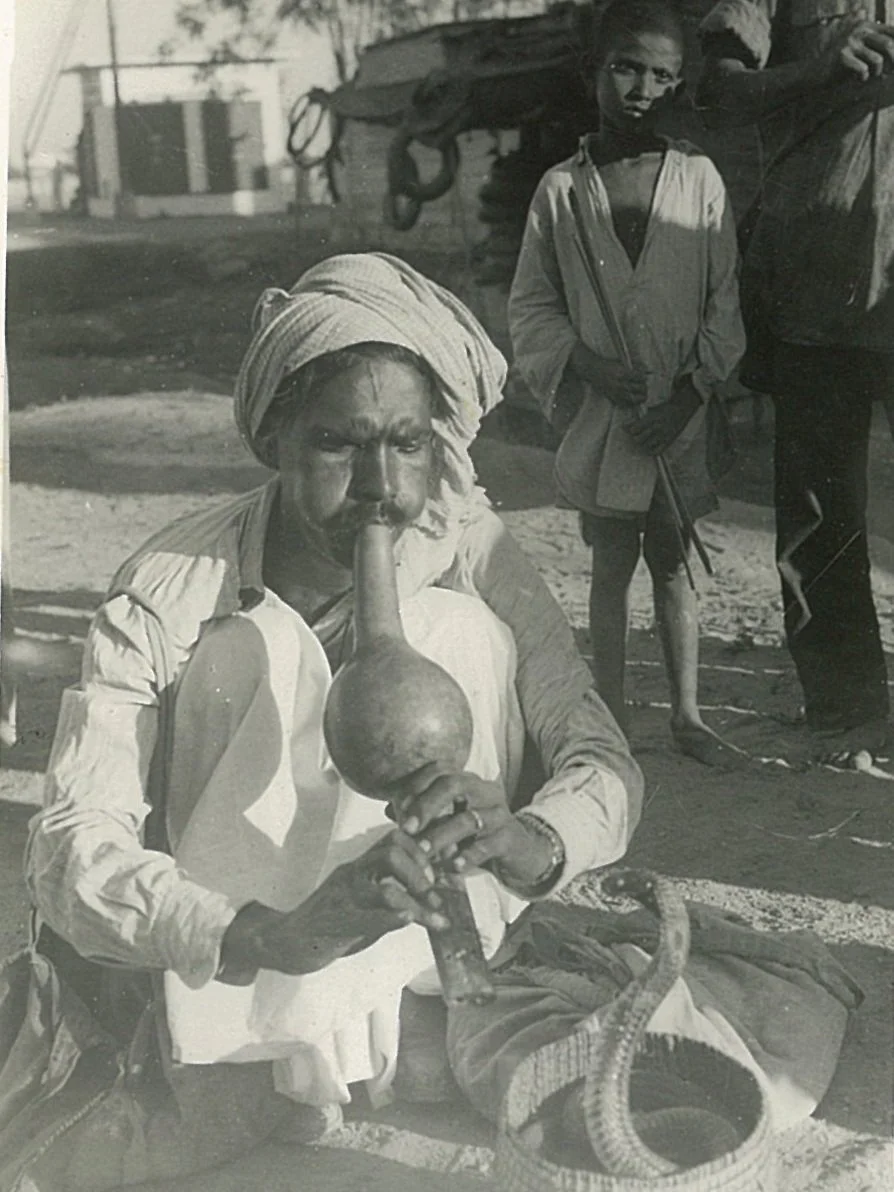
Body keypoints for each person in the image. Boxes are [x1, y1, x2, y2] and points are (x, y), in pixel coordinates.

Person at [11, 252, 642, 1189]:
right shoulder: (173, 582)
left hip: (426, 973)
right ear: (276, 441)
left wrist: (527, 840)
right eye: (339, 445)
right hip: (241, 968)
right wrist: (267, 934)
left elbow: (602, 761)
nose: (382, 485)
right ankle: (287, 1046)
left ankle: (410, 1009)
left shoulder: (474, 552)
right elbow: (68, 842)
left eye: (409, 443)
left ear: (441, 448)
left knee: (453, 628)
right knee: (250, 645)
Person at [508, 0, 747, 768]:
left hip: (678, 417)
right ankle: (610, 717)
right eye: (627, 69)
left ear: (682, 84)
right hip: (607, 420)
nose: (643, 89)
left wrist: (685, 398)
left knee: (675, 562)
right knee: (610, 563)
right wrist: (585, 363)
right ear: (594, 74)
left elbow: (724, 303)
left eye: (663, 76)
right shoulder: (561, 193)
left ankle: (687, 714)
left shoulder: (700, 182)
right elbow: (532, 303)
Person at [697, 2, 894, 766]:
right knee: (820, 503)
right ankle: (847, 711)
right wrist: (819, 68)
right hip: (819, 259)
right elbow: (714, 91)